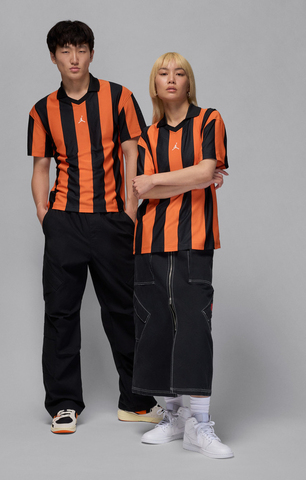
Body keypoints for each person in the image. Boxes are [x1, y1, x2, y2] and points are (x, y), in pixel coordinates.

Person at [27, 20, 161, 434]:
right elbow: (41, 167)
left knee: (124, 311)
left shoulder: (119, 98)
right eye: (65, 50)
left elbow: (132, 154)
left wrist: (130, 210)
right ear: (53, 57)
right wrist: (45, 214)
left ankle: (136, 402)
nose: (74, 58)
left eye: (81, 49)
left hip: (111, 221)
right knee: (60, 314)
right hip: (64, 222)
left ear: (91, 53)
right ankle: (63, 405)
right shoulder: (42, 110)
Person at [131, 52, 234, 458]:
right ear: (155, 85)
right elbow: (140, 190)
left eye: (179, 73)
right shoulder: (147, 136)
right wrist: (194, 179)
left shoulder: (209, 120)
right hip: (149, 239)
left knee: (194, 323)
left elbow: (204, 170)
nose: (171, 78)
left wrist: (158, 180)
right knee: (157, 325)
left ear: (189, 82)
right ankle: (172, 417)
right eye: (163, 73)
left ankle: (200, 424)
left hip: (194, 237)